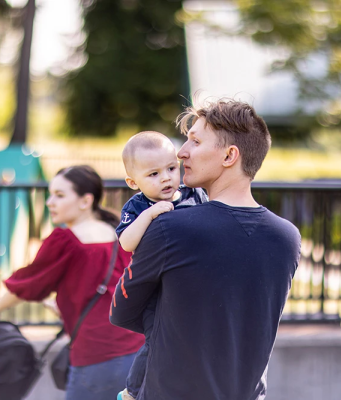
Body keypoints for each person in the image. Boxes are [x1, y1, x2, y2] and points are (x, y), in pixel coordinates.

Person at [110, 100, 301, 399]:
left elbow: (122, 311)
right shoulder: (288, 237)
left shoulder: (169, 227)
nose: (182, 151)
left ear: (229, 155)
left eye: (195, 141)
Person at [0, 165, 144, 400]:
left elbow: (29, 283)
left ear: (86, 201)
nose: (49, 202)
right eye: (50, 194)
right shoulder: (120, 234)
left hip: (96, 354)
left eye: (60, 195)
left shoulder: (67, 240)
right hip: (138, 349)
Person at [115, 131, 207, 400]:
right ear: (133, 182)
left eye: (170, 168)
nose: (166, 177)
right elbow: (126, 242)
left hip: (190, 283)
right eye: (153, 174)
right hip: (156, 288)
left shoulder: (194, 194)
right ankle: (132, 391)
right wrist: (150, 214)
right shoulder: (138, 205)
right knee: (158, 337)